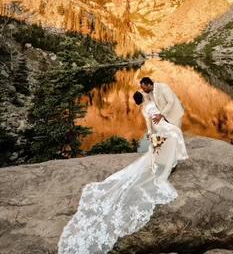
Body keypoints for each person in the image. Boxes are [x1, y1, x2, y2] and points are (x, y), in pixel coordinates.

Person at [57, 90, 188, 254]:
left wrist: (151, 133)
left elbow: (151, 123)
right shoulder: (151, 104)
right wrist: (156, 130)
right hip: (163, 127)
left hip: (161, 128)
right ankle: (168, 162)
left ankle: (166, 161)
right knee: (173, 136)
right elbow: (157, 118)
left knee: (168, 140)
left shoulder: (145, 108)